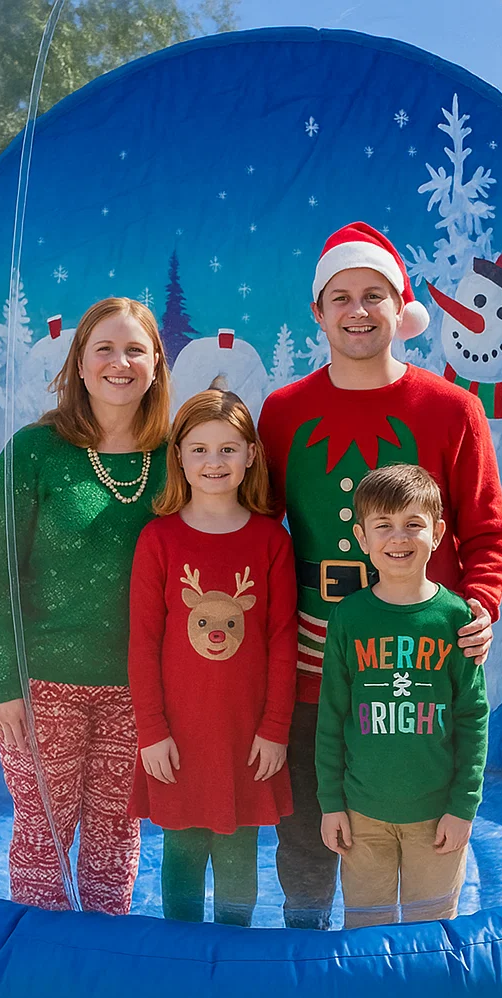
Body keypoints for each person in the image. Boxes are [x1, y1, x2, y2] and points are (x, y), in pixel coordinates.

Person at [257, 221, 502, 928]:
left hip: (420, 663)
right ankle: (307, 958)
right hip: (312, 660)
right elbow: (257, 530)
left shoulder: (452, 409)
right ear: (318, 311)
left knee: (423, 827)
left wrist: (482, 604)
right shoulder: (282, 413)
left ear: (401, 308)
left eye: (374, 295)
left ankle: (423, 970)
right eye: (341, 296)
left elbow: (487, 529)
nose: (358, 310)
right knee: (307, 825)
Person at [0, 296, 170, 913]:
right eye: (103, 349)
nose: (120, 362)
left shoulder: (179, 458)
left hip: (139, 689)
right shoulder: (34, 452)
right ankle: (39, 980)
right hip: (43, 686)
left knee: (116, 836)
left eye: (135, 349)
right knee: (42, 836)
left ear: (157, 364)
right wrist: (3, 685)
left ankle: (105, 974)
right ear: (79, 365)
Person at [128, 389, 297, 926]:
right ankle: (180, 973)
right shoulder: (158, 540)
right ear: (178, 455)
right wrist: (151, 731)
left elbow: (282, 641)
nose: (214, 462)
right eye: (199, 449)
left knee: (238, 861)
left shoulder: (272, 542)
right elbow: (143, 643)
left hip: (247, 736)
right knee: (180, 857)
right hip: (177, 736)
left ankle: (234, 965)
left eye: (228, 448)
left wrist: (274, 729)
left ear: (251, 454)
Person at [316, 464, 488, 927]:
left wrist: (462, 807)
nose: (399, 538)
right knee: (365, 932)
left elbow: (473, 717)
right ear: (362, 537)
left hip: (436, 821)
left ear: (437, 533)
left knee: (431, 937)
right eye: (384, 526)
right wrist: (332, 803)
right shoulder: (349, 618)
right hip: (362, 815)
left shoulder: (455, 619)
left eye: (414, 524)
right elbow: (331, 717)